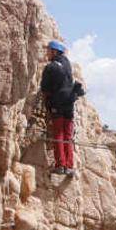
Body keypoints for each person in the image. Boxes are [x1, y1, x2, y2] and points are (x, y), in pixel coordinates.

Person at [40, 39, 78, 175]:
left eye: (48, 51)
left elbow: (45, 89)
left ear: (54, 51)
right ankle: (69, 166)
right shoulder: (67, 63)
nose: (46, 54)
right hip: (69, 105)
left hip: (57, 104)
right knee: (68, 135)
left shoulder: (50, 67)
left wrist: (46, 106)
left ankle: (60, 165)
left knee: (58, 134)